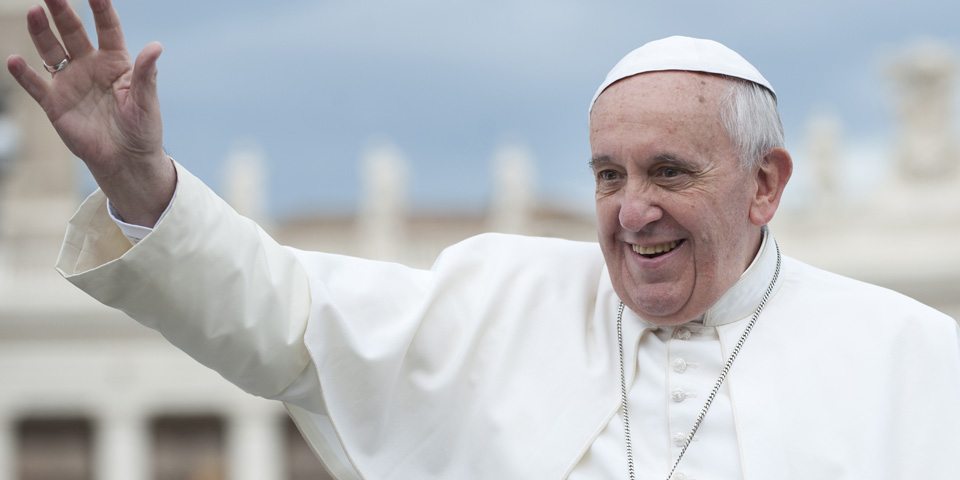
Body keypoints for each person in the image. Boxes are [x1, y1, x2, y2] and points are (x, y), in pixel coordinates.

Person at [7, 0, 960, 478]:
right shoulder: (499, 299)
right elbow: (285, 319)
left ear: (766, 184)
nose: (632, 211)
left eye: (670, 172)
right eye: (607, 176)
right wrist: (134, 180)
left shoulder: (917, 363)